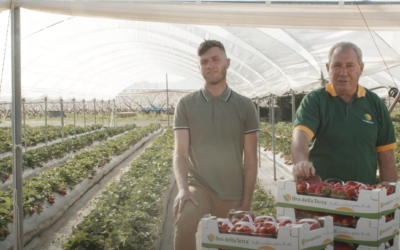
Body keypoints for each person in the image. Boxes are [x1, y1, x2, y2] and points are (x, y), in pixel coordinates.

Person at [172, 40, 259, 250]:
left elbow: (251, 158)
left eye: (215, 60)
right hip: (199, 187)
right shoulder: (186, 105)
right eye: (204, 62)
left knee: (230, 242)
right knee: (184, 220)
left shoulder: (245, 106)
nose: (209, 65)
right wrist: (183, 189)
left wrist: (246, 204)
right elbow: (180, 153)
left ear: (227, 63)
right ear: (199, 67)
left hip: (233, 190)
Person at [291, 41, 397, 184]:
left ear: (361, 68)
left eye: (350, 66)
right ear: (328, 68)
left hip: (364, 197)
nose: (343, 72)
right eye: (337, 65)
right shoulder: (315, 100)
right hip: (321, 195)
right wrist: (302, 162)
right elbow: (301, 135)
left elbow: (386, 156)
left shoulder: (375, 103)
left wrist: (390, 196)